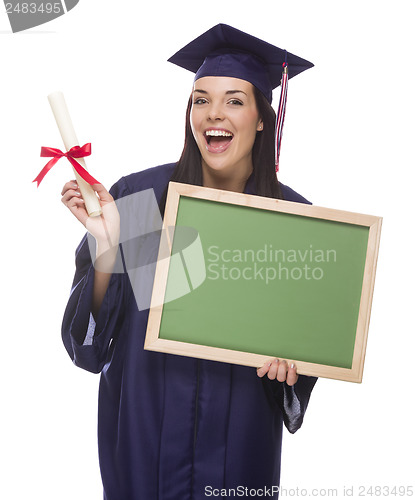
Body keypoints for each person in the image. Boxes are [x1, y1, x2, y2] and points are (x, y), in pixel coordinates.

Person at [61, 24, 317, 500]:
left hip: (239, 450)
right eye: (200, 99)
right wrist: (106, 250)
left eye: (235, 100)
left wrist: (292, 367)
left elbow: (304, 362)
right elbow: (91, 350)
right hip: (141, 444)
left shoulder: (293, 222)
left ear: (263, 117)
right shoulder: (139, 200)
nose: (213, 114)